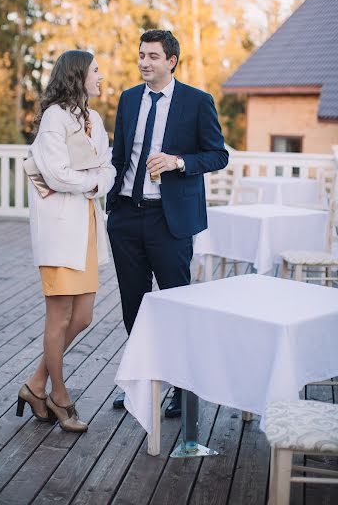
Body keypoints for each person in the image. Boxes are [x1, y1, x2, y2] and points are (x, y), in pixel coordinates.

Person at [107, 30, 229, 416]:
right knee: (134, 306)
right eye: (141, 55)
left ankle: (180, 387)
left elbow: (217, 155)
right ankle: (142, 384)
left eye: (153, 56)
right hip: (126, 216)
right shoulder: (128, 100)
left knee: (175, 303)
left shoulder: (197, 101)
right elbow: (119, 156)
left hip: (169, 220)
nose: (145, 62)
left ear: (171, 61)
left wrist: (178, 162)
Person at [17, 50, 116, 432]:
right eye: (95, 70)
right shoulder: (53, 120)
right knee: (58, 318)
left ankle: (35, 384)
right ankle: (60, 396)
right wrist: (93, 182)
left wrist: (94, 180)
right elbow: (56, 175)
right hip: (59, 230)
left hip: (88, 226)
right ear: (78, 75)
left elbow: (108, 166)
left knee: (84, 315)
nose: (101, 76)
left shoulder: (94, 119)